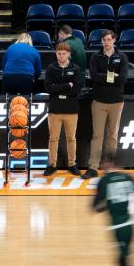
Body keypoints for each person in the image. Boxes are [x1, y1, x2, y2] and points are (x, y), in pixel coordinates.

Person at [85, 29, 128, 179]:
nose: (106, 42)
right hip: (99, 102)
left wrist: (104, 77)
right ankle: (93, 167)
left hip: (116, 102)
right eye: (104, 40)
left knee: (112, 136)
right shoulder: (95, 57)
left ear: (114, 40)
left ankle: (111, 167)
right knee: (97, 135)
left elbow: (122, 79)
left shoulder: (121, 57)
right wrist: (111, 77)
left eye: (108, 39)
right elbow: (94, 76)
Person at [43, 42, 82, 176]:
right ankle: (52, 164)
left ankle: (72, 164)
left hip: (71, 109)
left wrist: (58, 88)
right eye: (59, 53)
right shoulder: (51, 68)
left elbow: (77, 90)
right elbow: (48, 88)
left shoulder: (76, 69)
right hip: (55, 109)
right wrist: (67, 85)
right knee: (53, 138)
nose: (61, 56)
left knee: (71, 138)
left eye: (63, 53)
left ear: (69, 54)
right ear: (56, 53)